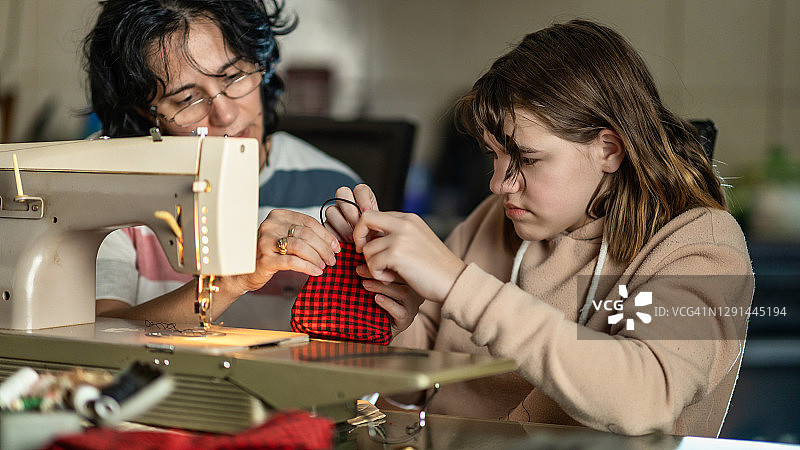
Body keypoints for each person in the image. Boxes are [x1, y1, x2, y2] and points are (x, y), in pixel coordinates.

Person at [325, 20, 753, 437]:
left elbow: (647, 398)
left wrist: (459, 285)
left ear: (608, 149)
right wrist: (385, 306)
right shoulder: (495, 218)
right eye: (494, 155)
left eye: (527, 160)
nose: (498, 184)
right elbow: (410, 399)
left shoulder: (699, 244)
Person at [84, 0, 359, 326]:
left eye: (234, 76)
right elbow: (98, 333)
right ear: (146, 112)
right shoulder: (111, 185)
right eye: (187, 99)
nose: (226, 115)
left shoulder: (331, 189)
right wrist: (231, 282)